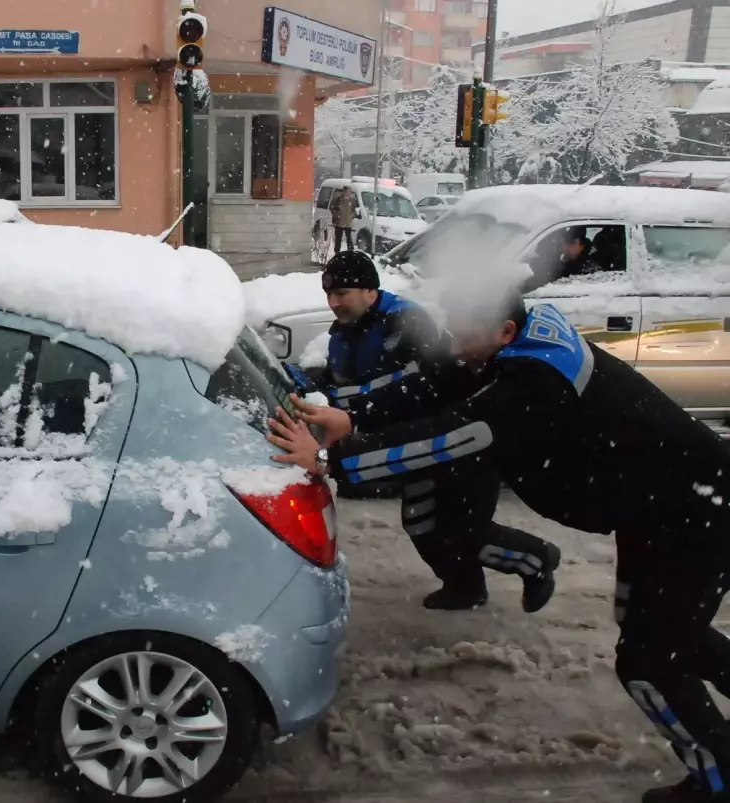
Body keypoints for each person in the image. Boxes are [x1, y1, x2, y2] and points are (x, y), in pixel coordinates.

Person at [268, 293, 730, 803]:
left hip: (694, 511)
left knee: (650, 659)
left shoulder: (531, 383)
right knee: (662, 635)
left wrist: (335, 460)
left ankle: (719, 782)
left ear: (505, 331)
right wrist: (354, 420)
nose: (454, 346)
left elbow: (451, 435)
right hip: (667, 504)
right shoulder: (500, 344)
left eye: (463, 336)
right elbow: (438, 384)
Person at [314, 251, 560, 612]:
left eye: (343, 293)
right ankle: (465, 586)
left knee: (463, 530)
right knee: (422, 523)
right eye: (330, 296)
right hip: (417, 439)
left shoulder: (407, 323)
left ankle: (534, 559)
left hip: (458, 440)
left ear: (370, 291)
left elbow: (413, 384)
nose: (334, 303)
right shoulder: (349, 328)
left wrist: (342, 410)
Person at [331, 185, 356, 256]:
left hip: (348, 223)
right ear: (344, 192)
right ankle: (337, 253)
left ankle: (350, 253)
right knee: (338, 239)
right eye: (347, 191)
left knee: (349, 239)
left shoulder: (352, 200)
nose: (348, 193)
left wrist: (352, 216)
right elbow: (332, 208)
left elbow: (354, 210)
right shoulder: (338, 200)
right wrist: (337, 214)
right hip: (339, 223)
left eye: (349, 192)